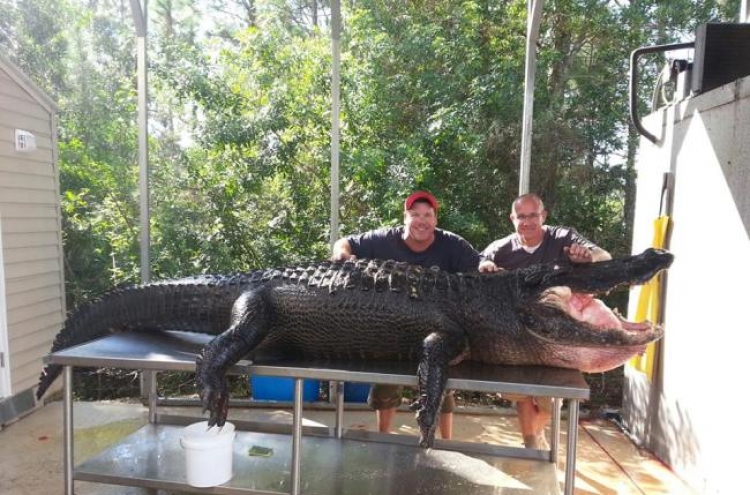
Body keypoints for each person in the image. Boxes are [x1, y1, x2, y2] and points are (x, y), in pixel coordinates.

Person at [331, 190, 489, 439]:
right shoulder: (384, 239)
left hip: (436, 327)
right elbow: (344, 243)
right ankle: (384, 437)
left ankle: (446, 441)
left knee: (442, 383)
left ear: (435, 220)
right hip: (391, 328)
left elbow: (480, 262)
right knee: (385, 383)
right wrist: (340, 254)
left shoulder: (452, 243)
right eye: (415, 214)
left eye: (428, 214)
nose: (422, 220)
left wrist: (486, 266)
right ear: (405, 217)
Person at [479, 193, 611, 450]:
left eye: (533, 215)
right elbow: (476, 265)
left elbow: (604, 257)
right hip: (519, 336)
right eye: (521, 216)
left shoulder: (563, 237)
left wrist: (587, 257)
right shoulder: (500, 248)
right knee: (522, 395)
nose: (527, 222)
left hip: (558, 335)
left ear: (544, 216)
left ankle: (534, 439)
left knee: (549, 400)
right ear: (512, 219)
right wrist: (484, 265)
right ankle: (532, 446)